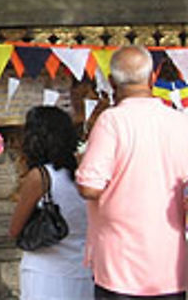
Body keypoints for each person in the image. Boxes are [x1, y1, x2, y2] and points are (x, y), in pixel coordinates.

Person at [76, 45, 188, 300]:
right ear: (152, 78)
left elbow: (90, 187)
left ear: (112, 82)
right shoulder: (180, 121)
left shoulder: (112, 121)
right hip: (169, 263)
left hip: (120, 265)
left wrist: (83, 164)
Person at [8, 106, 93, 300]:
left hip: (45, 273)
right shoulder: (84, 173)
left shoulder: (40, 177)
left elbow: (14, 229)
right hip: (82, 271)